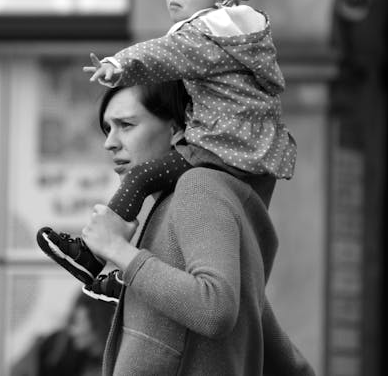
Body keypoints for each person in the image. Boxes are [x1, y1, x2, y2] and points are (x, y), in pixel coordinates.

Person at [37, 0, 296, 286]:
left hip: (218, 147)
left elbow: (162, 53)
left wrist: (120, 64)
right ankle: (126, 283)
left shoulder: (207, 35)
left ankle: (95, 254)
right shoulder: (244, 38)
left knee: (143, 177)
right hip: (247, 150)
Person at [87, 81, 313, 375]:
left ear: (178, 129)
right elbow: (272, 347)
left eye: (126, 125)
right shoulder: (177, 201)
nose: (110, 142)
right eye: (108, 129)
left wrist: (117, 249)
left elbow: (214, 308)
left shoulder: (198, 187)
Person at [10, 293, 115, 376]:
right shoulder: (53, 352)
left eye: (76, 322)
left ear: (99, 322)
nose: (73, 332)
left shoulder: (113, 360)